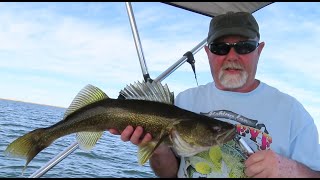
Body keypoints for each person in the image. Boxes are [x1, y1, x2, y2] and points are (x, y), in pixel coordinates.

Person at [109, 11, 320, 178]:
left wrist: (290, 171)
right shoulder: (183, 101)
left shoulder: (293, 113)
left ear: (259, 50)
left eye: (244, 47)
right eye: (220, 48)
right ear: (208, 53)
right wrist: (157, 150)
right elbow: (170, 174)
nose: (232, 56)